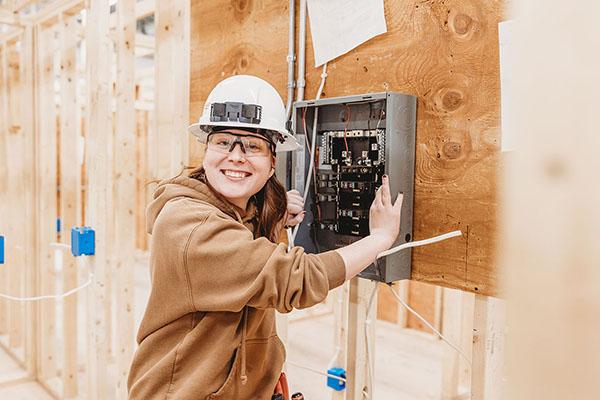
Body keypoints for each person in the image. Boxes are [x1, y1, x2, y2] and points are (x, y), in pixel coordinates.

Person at [127, 75, 403, 399]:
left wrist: (273, 221)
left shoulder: (230, 215)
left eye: (253, 146)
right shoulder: (191, 226)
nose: (236, 155)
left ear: (273, 164)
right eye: (223, 141)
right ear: (206, 151)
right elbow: (295, 279)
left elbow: (245, 260)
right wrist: (381, 237)